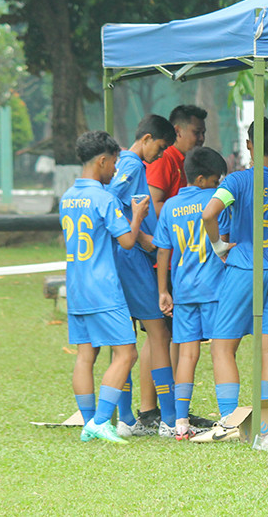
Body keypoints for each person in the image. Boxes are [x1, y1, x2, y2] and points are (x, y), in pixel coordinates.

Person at [194, 119, 268, 442]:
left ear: (250, 145)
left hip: (244, 269)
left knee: (224, 346)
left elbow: (209, 213)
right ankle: (267, 425)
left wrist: (218, 245)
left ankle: (228, 420)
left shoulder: (238, 181)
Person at [60, 131, 149, 444]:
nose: (116, 169)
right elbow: (126, 243)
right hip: (103, 288)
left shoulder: (67, 197)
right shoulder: (104, 198)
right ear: (102, 160)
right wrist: (137, 215)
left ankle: (89, 423)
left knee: (86, 354)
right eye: (114, 163)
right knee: (126, 353)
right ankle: (100, 421)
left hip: (76, 288)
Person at [105, 114, 177, 437]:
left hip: (123, 258)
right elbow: (111, 204)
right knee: (159, 331)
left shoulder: (124, 162)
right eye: (160, 148)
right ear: (146, 139)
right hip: (131, 258)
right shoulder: (133, 165)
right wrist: (141, 236)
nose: (160, 155)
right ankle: (170, 419)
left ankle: (124, 419)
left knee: (125, 338)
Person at [153, 146, 228, 440]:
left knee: (187, 354)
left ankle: (180, 422)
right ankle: (227, 417)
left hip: (183, 291)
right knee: (222, 352)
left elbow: (163, 251)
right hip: (214, 289)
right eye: (215, 179)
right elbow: (226, 238)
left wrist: (163, 290)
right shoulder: (215, 201)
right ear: (201, 179)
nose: (219, 184)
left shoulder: (171, 206)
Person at [147, 104, 208, 215]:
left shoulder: (188, 161)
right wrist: (187, 214)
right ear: (177, 131)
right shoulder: (163, 158)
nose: (202, 138)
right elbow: (152, 206)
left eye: (203, 133)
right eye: (196, 132)